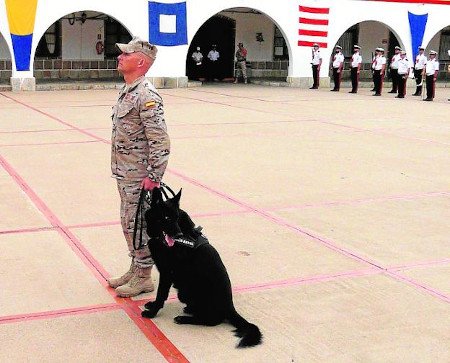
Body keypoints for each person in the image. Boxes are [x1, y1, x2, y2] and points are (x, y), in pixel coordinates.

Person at [108, 37, 170, 297]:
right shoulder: (128, 90)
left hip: (140, 175)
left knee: (138, 224)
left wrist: (154, 176)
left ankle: (144, 276)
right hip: (125, 172)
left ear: (141, 61)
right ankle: (136, 267)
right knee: (129, 222)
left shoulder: (146, 95)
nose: (120, 57)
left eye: (126, 54)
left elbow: (160, 140)